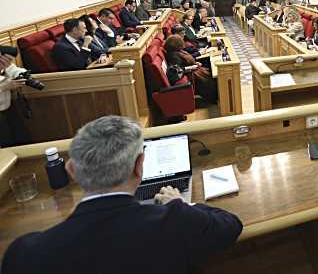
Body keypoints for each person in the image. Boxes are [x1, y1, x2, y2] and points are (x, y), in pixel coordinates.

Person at [1, 115, 242, 273]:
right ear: (140, 166)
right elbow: (231, 226)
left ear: (71, 170)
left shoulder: (24, 255)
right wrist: (182, 204)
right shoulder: (176, 219)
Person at [164, 35, 217, 104]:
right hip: (191, 74)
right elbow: (178, 70)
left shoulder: (179, 51)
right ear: (177, 44)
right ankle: (215, 98)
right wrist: (193, 66)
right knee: (209, 82)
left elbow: (187, 59)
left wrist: (195, 63)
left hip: (196, 69)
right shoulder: (173, 56)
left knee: (211, 74)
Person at [0, 54, 26, 147]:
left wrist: (23, 75)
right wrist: (3, 87)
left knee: (21, 142)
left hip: (9, 109)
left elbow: (14, 70)